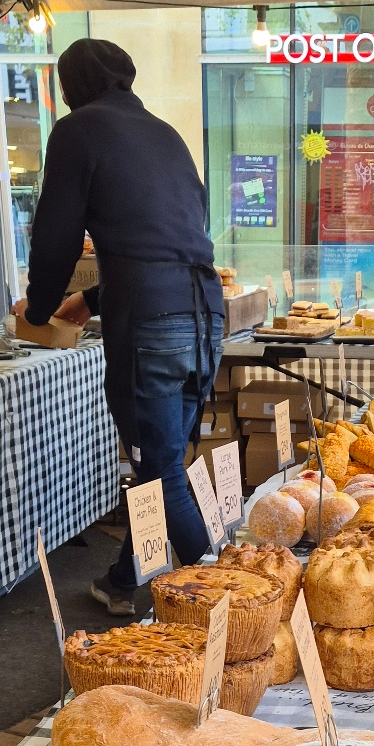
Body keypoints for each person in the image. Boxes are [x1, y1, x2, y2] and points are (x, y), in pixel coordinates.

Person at [16, 38, 225, 614]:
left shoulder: (76, 130)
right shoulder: (166, 134)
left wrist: (39, 309)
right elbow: (172, 240)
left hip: (152, 324)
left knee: (159, 474)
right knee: (161, 462)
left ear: (69, 87)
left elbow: (55, 235)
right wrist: (92, 297)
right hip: (206, 315)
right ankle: (124, 578)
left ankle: (232, 598)